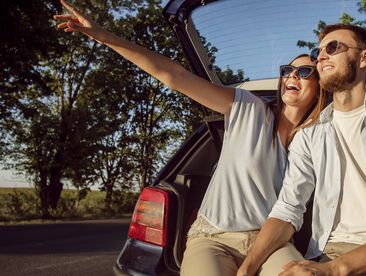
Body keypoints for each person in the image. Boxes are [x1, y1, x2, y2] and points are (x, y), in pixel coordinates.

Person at [54, 1, 327, 275]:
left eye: (304, 72)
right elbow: (174, 75)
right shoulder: (248, 108)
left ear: (320, 87)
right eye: (287, 70)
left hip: (272, 244)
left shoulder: (317, 138)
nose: (292, 75)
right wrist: (101, 34)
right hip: (214, 238)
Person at [238, 24, 366, 276]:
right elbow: (288, 208)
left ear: (364, 57)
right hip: (329, 253)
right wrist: (246, 270)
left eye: (333, 47)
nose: (321, 57)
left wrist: (334, 270)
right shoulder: (309, 135)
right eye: (319, 53)